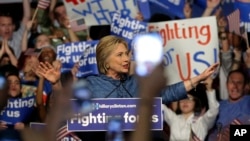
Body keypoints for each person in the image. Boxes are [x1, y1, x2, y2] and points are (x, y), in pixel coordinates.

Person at [208, 70, 250, 141]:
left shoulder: (248, 101)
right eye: (232, 82)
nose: (235, 86)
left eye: (239, 83)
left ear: (244, 86)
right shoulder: (218, 106)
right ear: (226, 85)